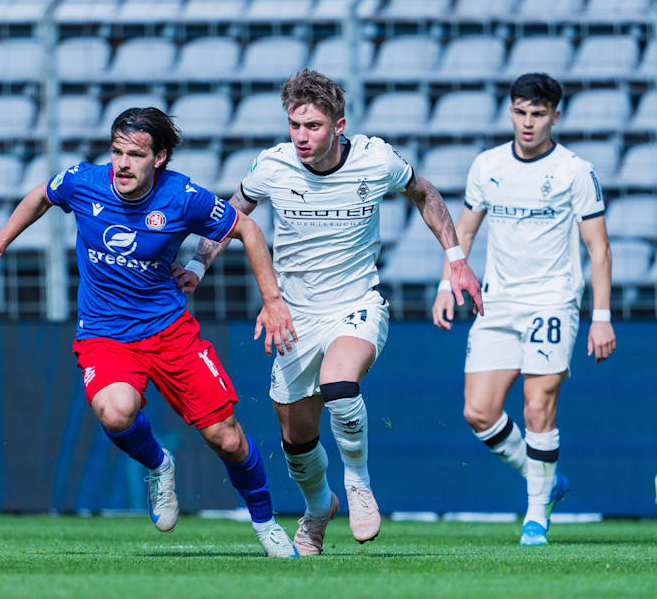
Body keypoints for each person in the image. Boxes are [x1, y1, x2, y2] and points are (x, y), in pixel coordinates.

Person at [0, 107, 302, 556]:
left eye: (135, 154)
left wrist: (270, 300)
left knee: (226, 438)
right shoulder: (85, 182)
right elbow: (41, 194)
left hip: (170, 332)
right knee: (115, 412)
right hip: (105, 335)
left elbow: (248, 230)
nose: (121, 163)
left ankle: (266, 523)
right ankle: (159, 464)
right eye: (116, 151)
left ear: (160, 157)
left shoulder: (183, 197)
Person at [178, 69, 483, 555]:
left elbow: (424, 193)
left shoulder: (375, 159)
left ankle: (359, 484)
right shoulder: (272, 167)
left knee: (341, 385)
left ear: (338, 126)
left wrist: (457, 260)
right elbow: (233, 212)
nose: (301, 137)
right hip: (295, 318)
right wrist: (196, 265)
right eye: (295, 126)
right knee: (297, 439)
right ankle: (320, 506)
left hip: (356, 303)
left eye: (313, 126)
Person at [432, 73, 616, 546]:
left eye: (538, 114)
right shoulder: (488, 165)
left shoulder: (575, 171)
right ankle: (546, 481)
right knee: (478, 412)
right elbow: (465, 233)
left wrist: (601, 316)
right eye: (520, 112)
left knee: (538, 407)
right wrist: (445, 284)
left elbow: (598, 248)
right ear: (510, 111)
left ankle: (536, 515)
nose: (528, 122)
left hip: (552, 301)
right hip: (498, 302)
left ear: (555, 115)